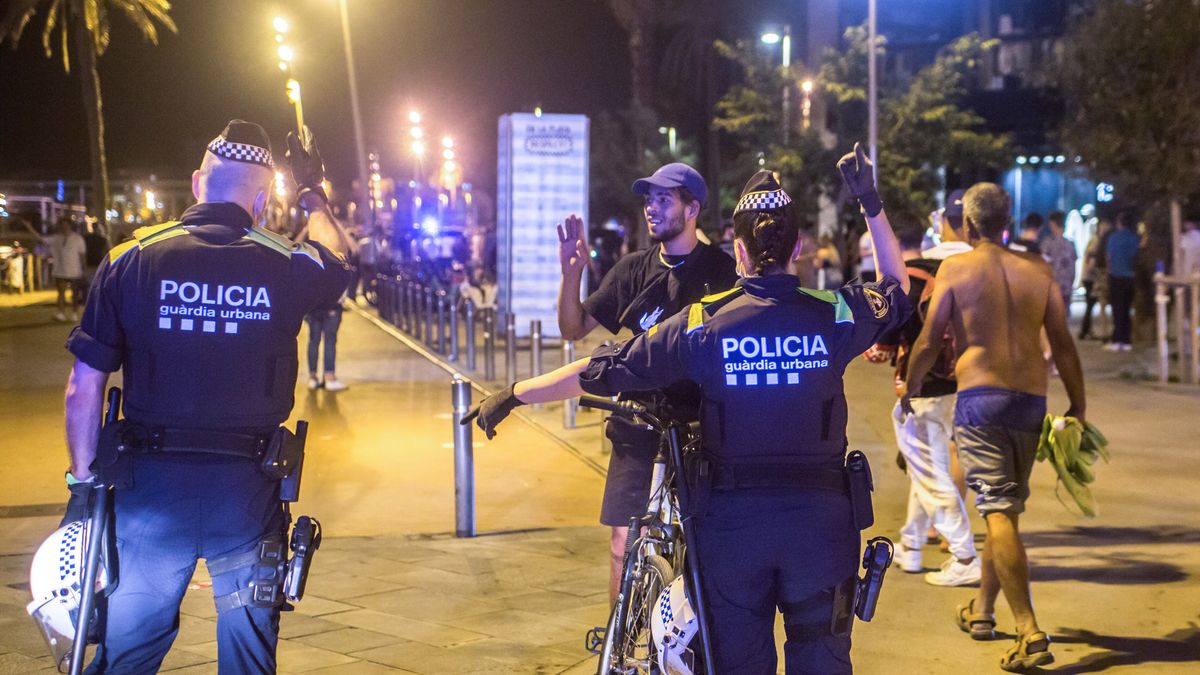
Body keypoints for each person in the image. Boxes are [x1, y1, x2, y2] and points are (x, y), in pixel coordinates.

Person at [467, 146, 910, 673]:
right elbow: (897, 289)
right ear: (798, 247)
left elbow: (602, 367)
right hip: (819, 529)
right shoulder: (833, 314)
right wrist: (869, 201)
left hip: (731, 529)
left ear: (739, 253)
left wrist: (516, 392)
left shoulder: (703, 324)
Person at [58, 120, 354, 672]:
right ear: (262, 201)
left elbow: (84, 388)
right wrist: (313, 191)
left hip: (147, 496)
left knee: (127, 653)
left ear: (199, 183)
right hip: (245, 494)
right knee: (247, 655)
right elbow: (336, 258)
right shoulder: (284, 263)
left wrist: (83, 483)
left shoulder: (131, 259)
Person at [903, 182, 1085, 672]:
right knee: (1003, 511)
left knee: (998, 512)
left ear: (966, 225)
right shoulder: (1038, 270)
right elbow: (1063, 344)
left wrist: (909, 388)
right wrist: (1079, 404)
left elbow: (926, 340)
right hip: (1031, 403)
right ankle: (982, 611)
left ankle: (1028, 630)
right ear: (1007, 222)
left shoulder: (956, 269)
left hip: (981, 402)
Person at [554, 161, 738, 602]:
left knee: (702, 549)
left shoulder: (721, 270)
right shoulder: (632, 269)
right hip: (637, 422)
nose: (650, 208)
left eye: (663, 198)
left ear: (691, 208)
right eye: (648, 199)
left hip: (702, 428)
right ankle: (621, 651)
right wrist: (571, 272)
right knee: (623, 545)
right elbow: (573, 328)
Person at [869, 193, 978, 587]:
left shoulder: (904, 280)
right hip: (959, 384)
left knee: (931, 475)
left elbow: (880, 349)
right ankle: (912, 547)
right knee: (925, 466)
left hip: (920, 389)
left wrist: (881, 352)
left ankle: (965, 554)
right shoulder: (951, 268)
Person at [23, 216, 87, 321]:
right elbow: (40, 239)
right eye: (62, 225)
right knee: (61, 293)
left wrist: (83, 268)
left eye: (66, 225)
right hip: (60, 270)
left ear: (70, 226)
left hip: (74, 270)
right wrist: (29, 227)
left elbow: (82, 255)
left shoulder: (78, 239)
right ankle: (61, 313)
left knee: (74, 293)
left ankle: (74, 313)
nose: (64, 227)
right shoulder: (56, 238)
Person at [1105, 212, 1139, 351]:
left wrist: (1109, 272)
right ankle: (1126, 340)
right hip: (1130, 276)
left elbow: (1109, 257)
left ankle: (1117, 340)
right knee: (1126, 308)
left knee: (1117, 309)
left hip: (1116, 276)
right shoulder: (1135, 238)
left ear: (1120, 222)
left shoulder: (1114, 238)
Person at [1079, 217, 1113, 340]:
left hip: (1091, 276)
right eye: (1104, 226)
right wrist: (1089, 272)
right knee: (1091, 304)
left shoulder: (1097, 240)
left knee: (1091, 304)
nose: (1106, 229)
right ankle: (1085, 330)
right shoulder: (1096, 241)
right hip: (1091, 277)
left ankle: (1085, 330)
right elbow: (1091, 259)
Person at [1042, 211, 1077, 317]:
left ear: (1052, 224)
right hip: (1066, 287)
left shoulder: (1047, 243)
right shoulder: (1070, 244)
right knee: (1064, 320)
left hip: (1051, 288)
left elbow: (1043, 265)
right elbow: (1073, 268)